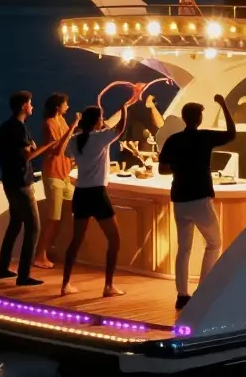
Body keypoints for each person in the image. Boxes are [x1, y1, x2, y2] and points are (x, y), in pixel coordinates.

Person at [60, 86, 142, 297]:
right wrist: (125, 107)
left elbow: (68, 153)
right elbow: (121, 128)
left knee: (75, 240)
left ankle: (65, 284)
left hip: (81, 194)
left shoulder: (76, 140)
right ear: (97, 121)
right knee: (114, 240)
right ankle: (108, 286)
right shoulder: (99, 138)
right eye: (101, 118)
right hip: (97, 194)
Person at [158, 95, 236, 310]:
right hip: (200, 197)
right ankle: (204, 289)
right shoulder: (204, 138)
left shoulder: (173, 140)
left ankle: (182, 295)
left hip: (180, 199)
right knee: (214, 243)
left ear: (184, 118)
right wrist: (224, 105)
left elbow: (162, 169)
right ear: (199, 118)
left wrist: (179, 168)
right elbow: (231, 134)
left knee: (184, 248)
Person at [0, 91, 63, 286]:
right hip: (21, 183)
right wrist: (48, 145)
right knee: (33, 227)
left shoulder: (6, 127)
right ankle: (24, 275)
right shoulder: (18, 129)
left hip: (9, 181)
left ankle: (2, 268)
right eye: (30, 104)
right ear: (24, 106)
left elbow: (26, 150)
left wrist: (36, 148)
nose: (33, 107)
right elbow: (28, 155)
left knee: (15, 224)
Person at [33, 93, 76, 270]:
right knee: (53, 218)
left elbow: (68, 144)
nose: (68, 107)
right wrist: (73, 126)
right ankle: (39, 255)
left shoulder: (62, 122)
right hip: (53, 174)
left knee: (66, 214)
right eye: (65, 104)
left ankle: (52, 248)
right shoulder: (50, 123)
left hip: (65, 174)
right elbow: (58, 148)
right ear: (58, 106)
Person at [118, 93, 164, 172]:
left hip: (146, 163)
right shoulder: (136, 123)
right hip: (134, 165)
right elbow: (128, 144)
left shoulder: (154, 127)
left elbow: (160, 124)